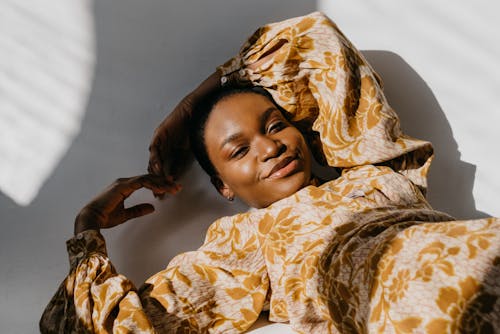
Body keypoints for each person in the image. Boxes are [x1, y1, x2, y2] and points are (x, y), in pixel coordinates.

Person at [40, 12, 500, 333]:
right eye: (238, 150)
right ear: (223, 187)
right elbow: (108, 327)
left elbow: (315, 37)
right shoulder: (242, 244)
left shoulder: (375, 168)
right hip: (423, 309)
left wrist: (191, 105)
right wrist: (86, 230)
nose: (270, 145)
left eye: (276, 124)